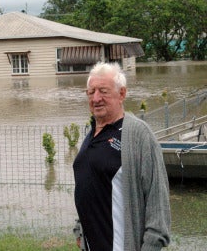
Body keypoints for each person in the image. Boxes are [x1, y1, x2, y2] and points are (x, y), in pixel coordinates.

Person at [73, 62, 171, 251]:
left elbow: (158, 207)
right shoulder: (92, 132)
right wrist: (79, 228)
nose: (96, 98)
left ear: (122, 94)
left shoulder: (138, 135)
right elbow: (91, 184)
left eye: (103, 91)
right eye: (91, 92)